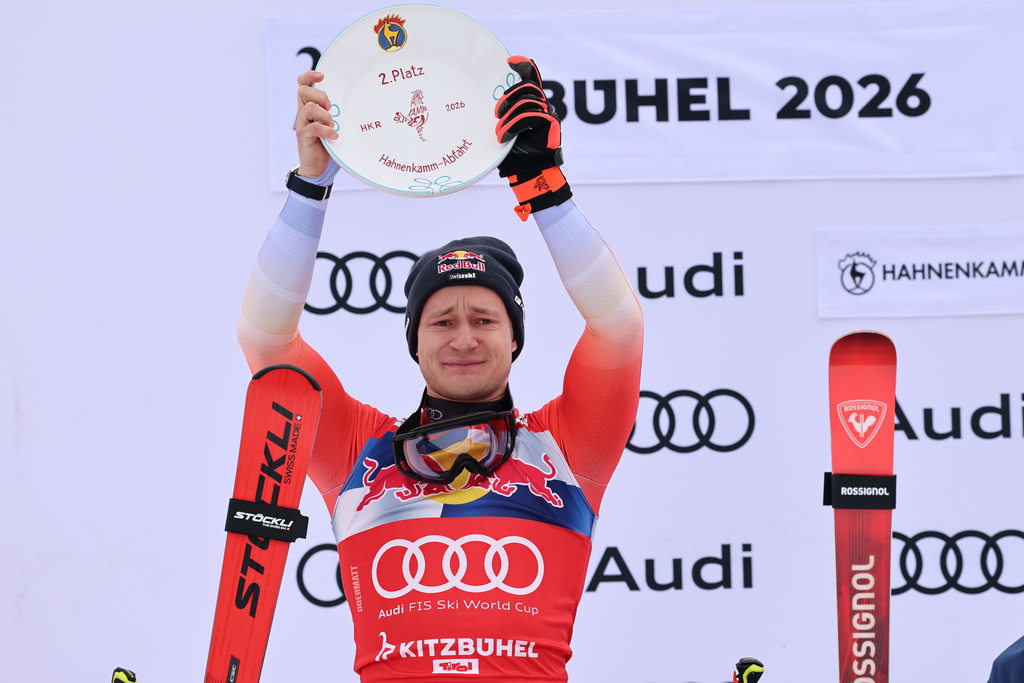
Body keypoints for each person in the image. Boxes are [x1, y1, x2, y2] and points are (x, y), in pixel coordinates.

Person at [237, 56, 643, 682]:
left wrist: (546, 193)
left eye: (484, 320)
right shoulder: (356, 453)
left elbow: (618, 326)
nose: (463, 338)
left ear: (515, 340)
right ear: (414, 342)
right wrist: (310, 186)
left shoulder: (564, 446)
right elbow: (266, 340)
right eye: (441, 321)